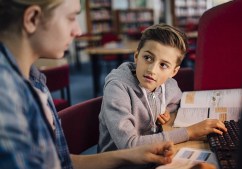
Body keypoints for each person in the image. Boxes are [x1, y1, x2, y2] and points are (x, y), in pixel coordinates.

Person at [0, 0, 176, 168]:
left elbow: (58, 162)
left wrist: (131, 155)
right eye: (71, 18)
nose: (77, 31)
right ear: (32, 19)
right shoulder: (7, 98)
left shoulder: (33, 79)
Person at [98, 23, 227, 154]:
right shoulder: (117, 87)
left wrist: (166, 110)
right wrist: (190, 132)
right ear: (136, 56)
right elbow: (129, 145)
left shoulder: (169, 84)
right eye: (147, 58)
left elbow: (177, 102)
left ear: (174, 72)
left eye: (163, 65)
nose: (151, 70)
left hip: (153, 157)